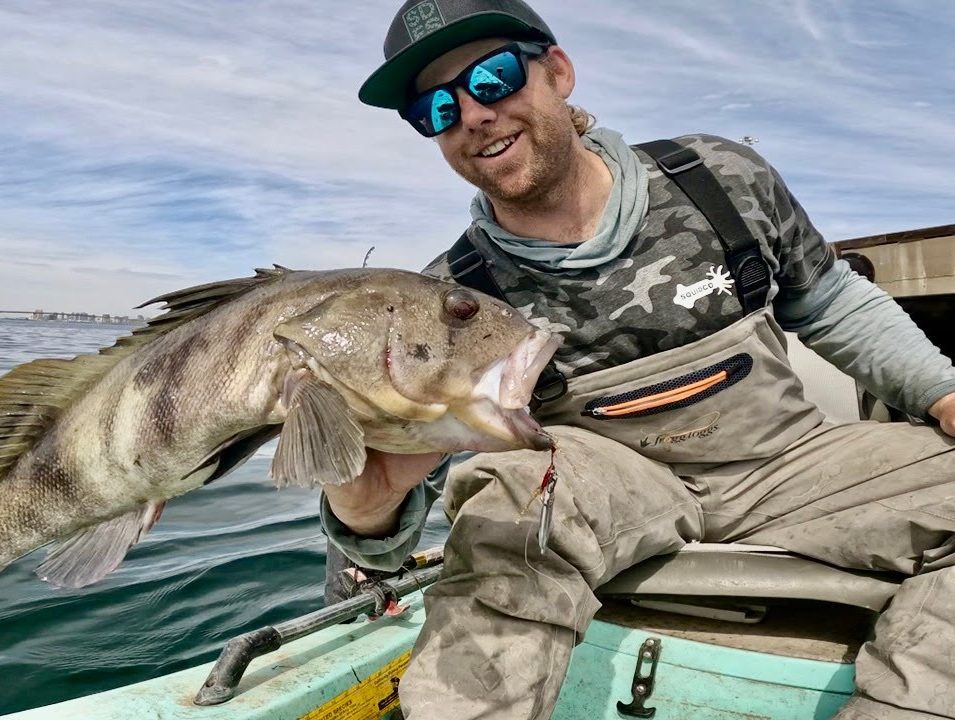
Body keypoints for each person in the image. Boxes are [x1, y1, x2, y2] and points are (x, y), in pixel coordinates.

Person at [319, 1, 955, 718]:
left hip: (790, 464)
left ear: (557, 71)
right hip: (605, 489)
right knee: (502, 503)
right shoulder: (449, 300)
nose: (472, 114)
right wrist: (367, 516)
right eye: (435, 109)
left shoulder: (720, 177)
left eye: (492, 78)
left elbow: (827, 299)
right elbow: (395, 501)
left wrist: (942, 393)